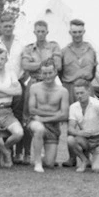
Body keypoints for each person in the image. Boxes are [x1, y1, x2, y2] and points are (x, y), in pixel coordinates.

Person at [20, 20, 63, 165]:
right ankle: (27, 153)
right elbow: (25, 65)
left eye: (42, 31)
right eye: (37, 31)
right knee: (29, 117)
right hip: (33, 83)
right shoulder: (28, 48)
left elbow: (57, 65)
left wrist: (38, 66)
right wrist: (45, 64)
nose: (40, 34)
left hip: (50, 83)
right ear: (34, 32)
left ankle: (48, 150)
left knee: (49, 113)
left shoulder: (54, 46)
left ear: (47, 32)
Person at [60, 19, 98, 167]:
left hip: (87, 86)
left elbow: (93, 71)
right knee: (72, 121)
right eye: (74, 32)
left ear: (84, 32)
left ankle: (87, 155)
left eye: (79, 32)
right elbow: (60, 72)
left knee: (88, 120)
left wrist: (86, 85)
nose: (77, 35)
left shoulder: (91, 50)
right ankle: (72, 157)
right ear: (70, 32)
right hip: (70, 87)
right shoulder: (64, 51)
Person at [0, 14, 26, 165]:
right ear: (0, 27)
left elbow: (25, 64)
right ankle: (2, 153)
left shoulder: (20, 43)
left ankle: (17, 153)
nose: (8, 28)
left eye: (10, 25)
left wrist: (20, 81)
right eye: (5, 26)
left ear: (14, 26)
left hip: (17, 83)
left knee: (18, 119)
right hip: (0, 85)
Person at [27, 60, 69, 173]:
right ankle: (37, 163)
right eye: (44, 73)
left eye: (50, 72)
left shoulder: (63, 91)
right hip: (36, 122)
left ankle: (40, 154)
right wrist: (55, 114)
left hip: (53, 126)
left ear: (55, 72)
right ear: (40, 73)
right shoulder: (34, 88)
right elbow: (32, 110)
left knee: (50, 163)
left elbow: (64, 115)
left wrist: (44, 118)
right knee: (39, 129)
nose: (47, 76)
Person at [67, 79, 99, 173]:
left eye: (82, 93)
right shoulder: (73, 107)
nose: (79, 96)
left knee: (96, 169)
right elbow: (70, 128)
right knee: (70, 140)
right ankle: (84, 160)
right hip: (86, 139)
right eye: (77, 93)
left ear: (89, 91)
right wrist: (79, 132)